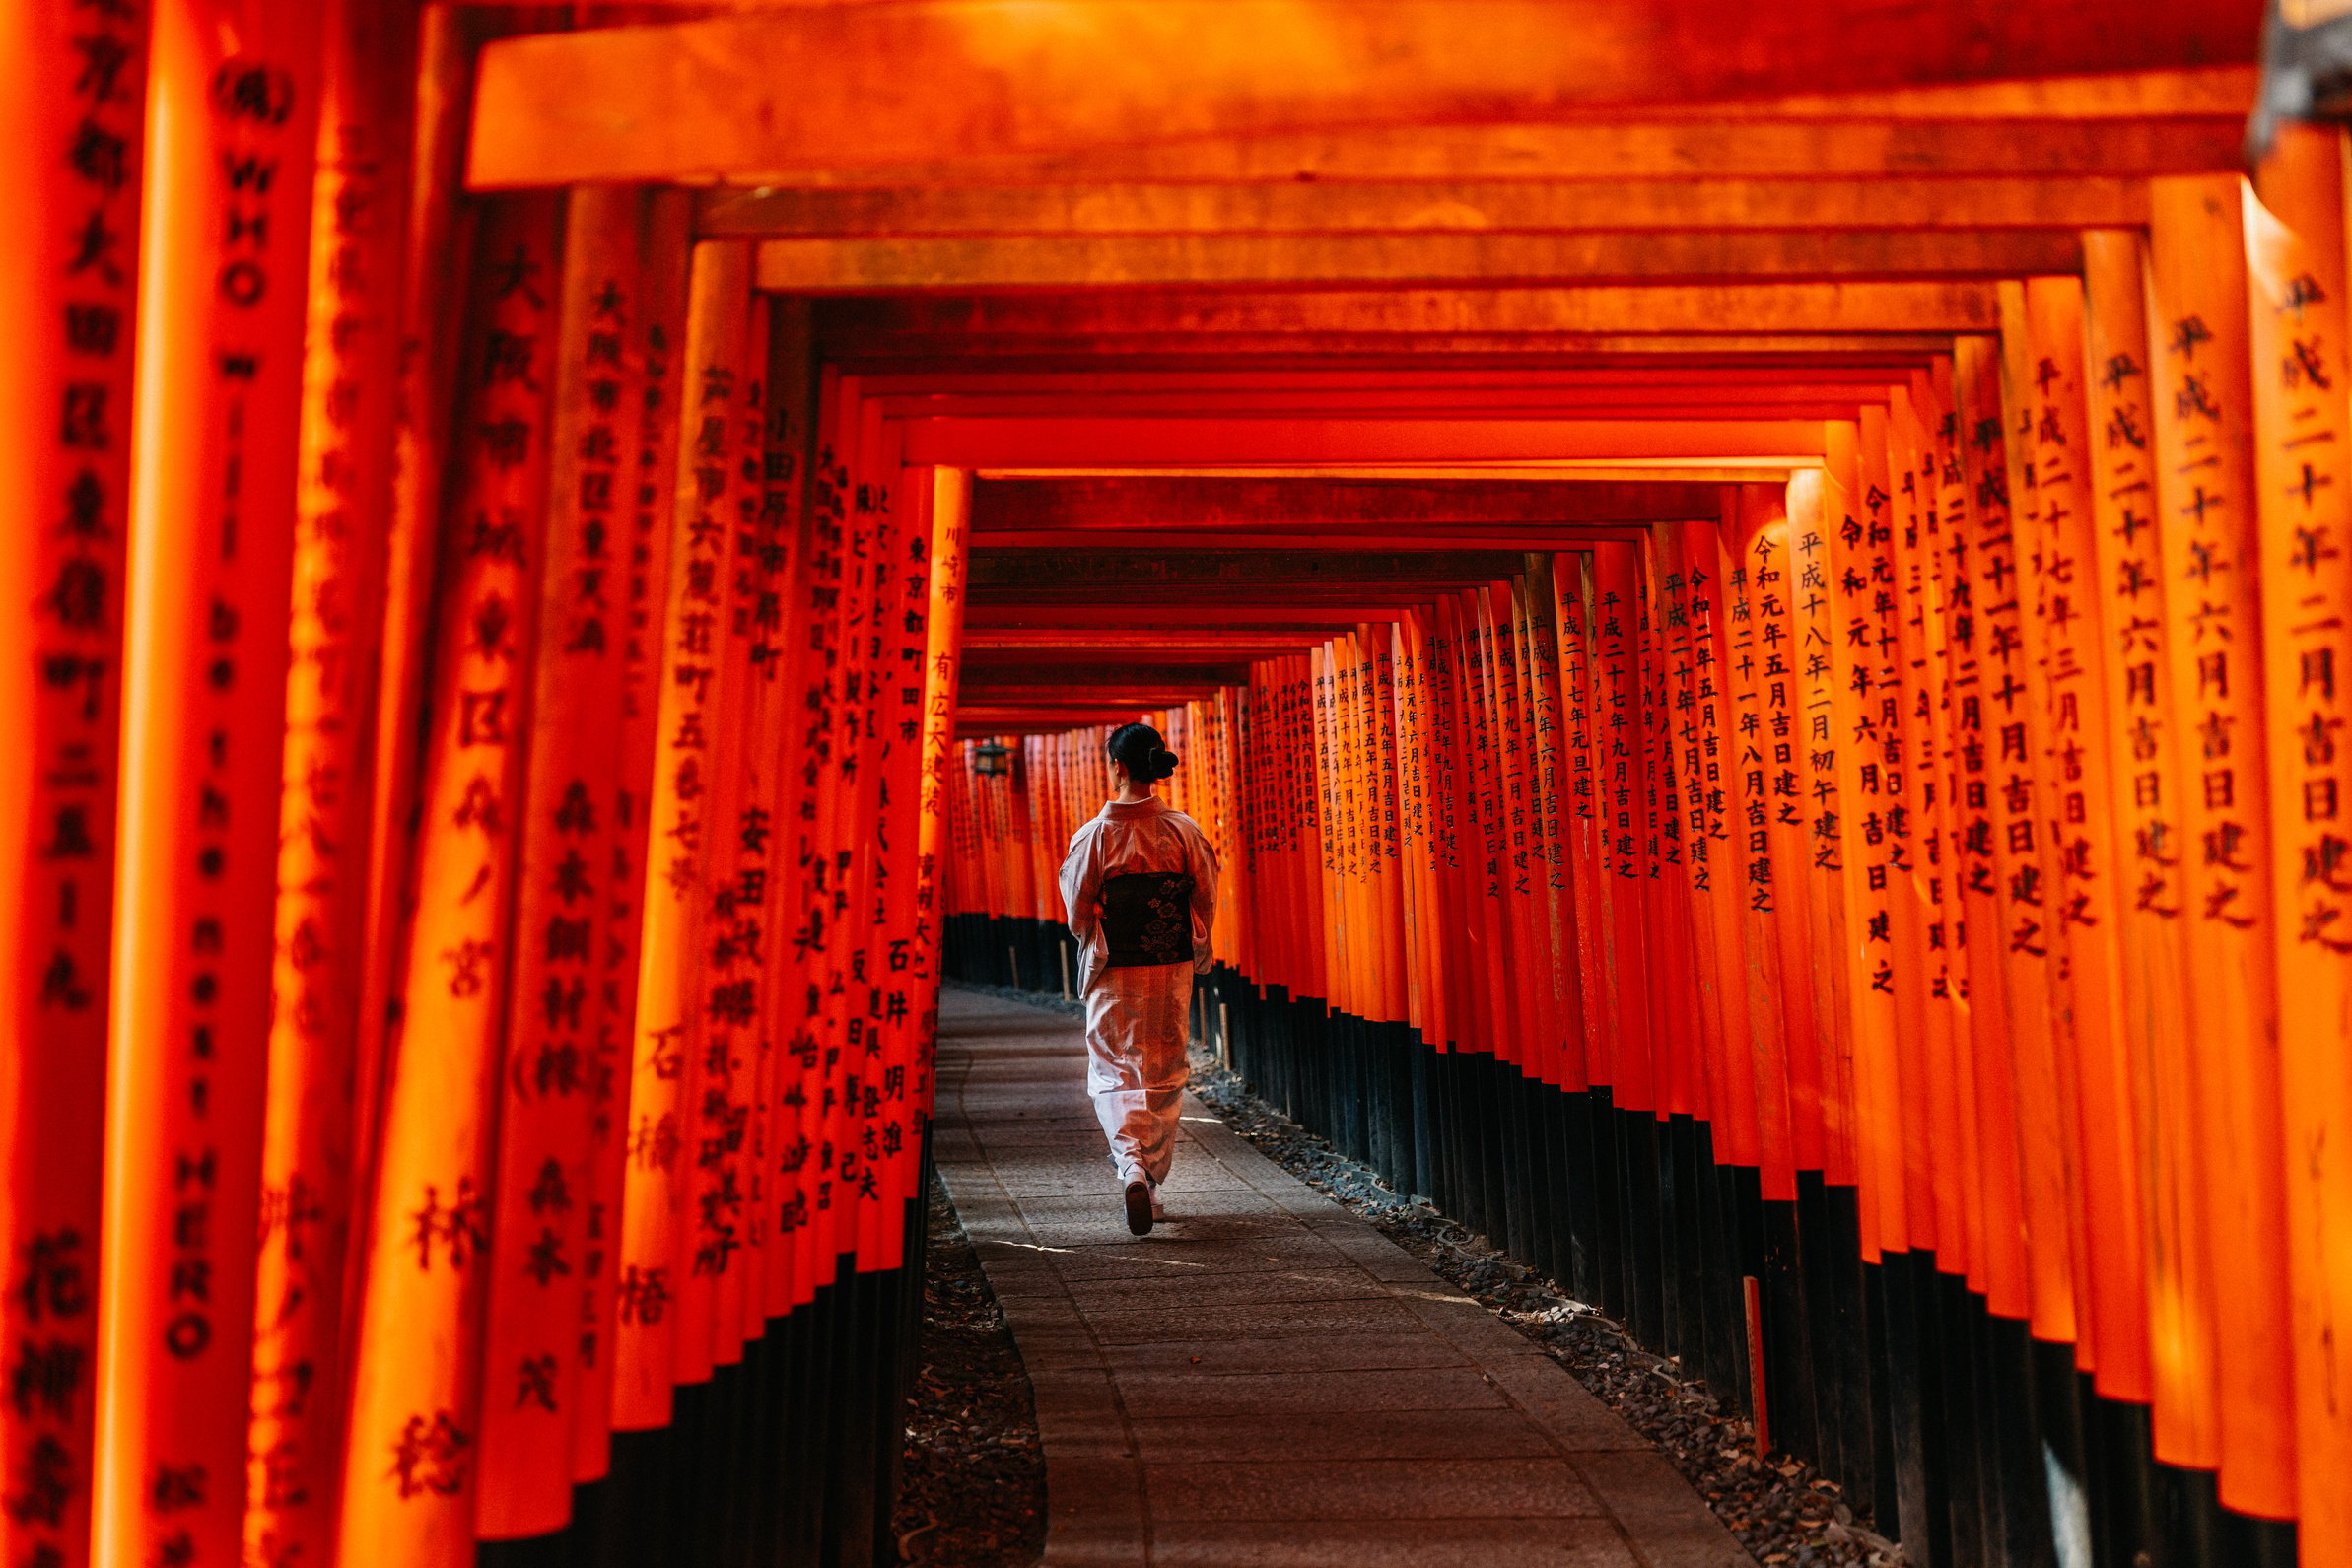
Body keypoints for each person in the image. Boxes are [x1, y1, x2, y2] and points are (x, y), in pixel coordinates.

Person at [1058, 722, 1219, 1236]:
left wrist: (1099, 923)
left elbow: (1077, 910)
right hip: (1167, 965)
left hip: (1114, 965)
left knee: (1113, 1067)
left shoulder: (1095, 836)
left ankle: (1130, 1166)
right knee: (1164, 1066)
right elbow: (1204, 898)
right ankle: (1146, 1176)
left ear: (1118, 767)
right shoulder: (1183, 830)